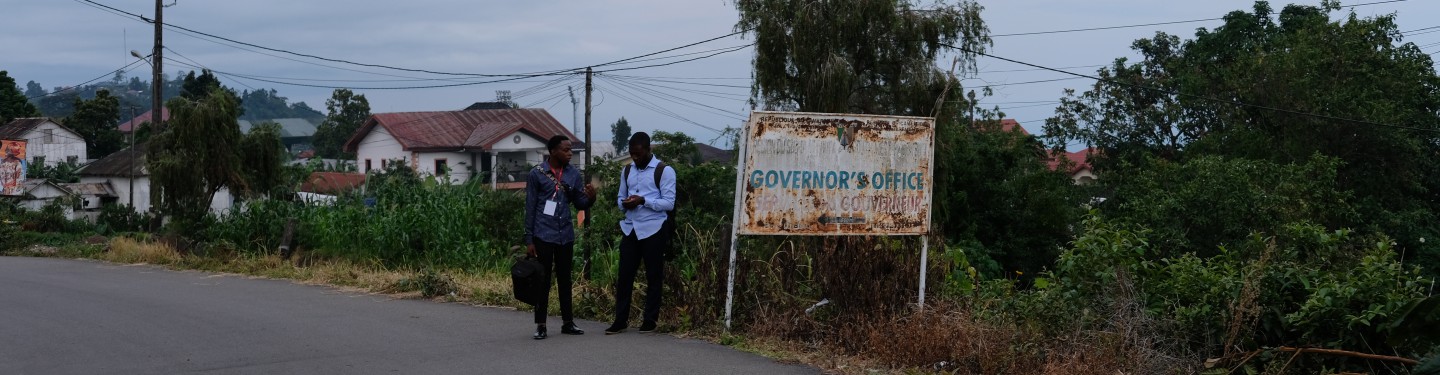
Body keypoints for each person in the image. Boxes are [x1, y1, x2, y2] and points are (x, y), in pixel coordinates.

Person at [523, 135, 597, 340]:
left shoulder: (573, 174)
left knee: (565, 279)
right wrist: (529, 239)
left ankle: (567, 322)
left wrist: (591, 198)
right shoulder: (537, 174)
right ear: (553, 151)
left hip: (565, 234)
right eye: (566, 150)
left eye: (570, 150)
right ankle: (541, 325)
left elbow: (580, 203)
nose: (569, 153)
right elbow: (530, 208)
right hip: (542, 234)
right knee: (543, 281)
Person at [606, 132, 676, 334]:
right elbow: (620, 198)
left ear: (648, 150)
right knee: (625, 275)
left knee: (654, 275)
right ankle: (620, 320)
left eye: (638, 154)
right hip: (631, 228)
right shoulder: (627, 170)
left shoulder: (664, 171)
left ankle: (650, 320)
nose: (634, 158)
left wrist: (643, 200)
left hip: (654, 228)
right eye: (631, 154)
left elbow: (669, 203)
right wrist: (626, 203)